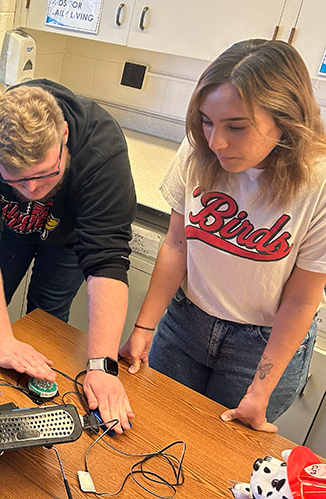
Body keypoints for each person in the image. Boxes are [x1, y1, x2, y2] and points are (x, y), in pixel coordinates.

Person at [119, 39, 326, 432]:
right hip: (186, 323)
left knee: (216, 460)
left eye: (236, 126)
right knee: (155, 434)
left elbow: (302, 298)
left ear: (285, 118)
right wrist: (144, 327)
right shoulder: (200, 149)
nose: (216, 142)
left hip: (262, 346)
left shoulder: (318, 180)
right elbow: (177, 244)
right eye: (207, 121)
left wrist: (261, 391)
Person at [0, 79, 137, 433]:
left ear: (64, 135)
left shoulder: (102, 147)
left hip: (67, 237)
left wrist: (102, 366)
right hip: (3, 233)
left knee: (48, 317)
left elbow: (107, 259)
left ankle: (35, 402)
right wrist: (2, 341)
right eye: (17, 180)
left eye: (45, 174)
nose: (33, 191)